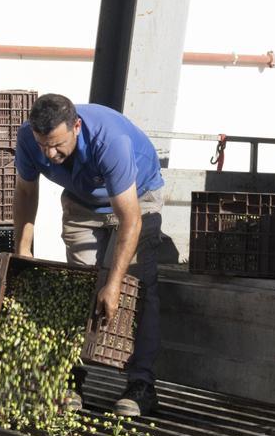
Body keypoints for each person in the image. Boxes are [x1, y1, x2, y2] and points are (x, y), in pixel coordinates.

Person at [13, 93, 165, 417]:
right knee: (79, 287)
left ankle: (141, 385)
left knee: (134, 288)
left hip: (137, 198)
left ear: (76, 126)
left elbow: (131, 220)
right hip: (83, 204)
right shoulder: (28, 138)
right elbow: (26, 192)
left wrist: (113, 283)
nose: (50, 154)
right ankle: (71, 379)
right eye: (43, 145)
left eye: (57, 144)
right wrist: (23, 252)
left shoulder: (110, 141)